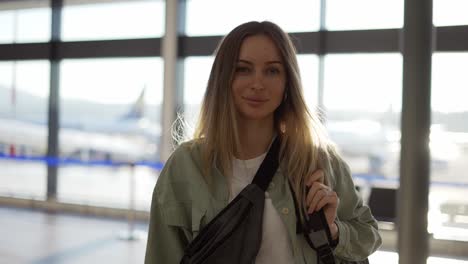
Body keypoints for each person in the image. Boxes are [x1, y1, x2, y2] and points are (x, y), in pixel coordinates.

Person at [145, 21, 381, 264]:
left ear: (287, 82)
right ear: (223, 78)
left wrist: (332, 231)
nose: (258, 84)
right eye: (243, 69)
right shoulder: (186, 166)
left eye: (272, 71)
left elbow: (369, 235)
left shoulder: (318, 162)